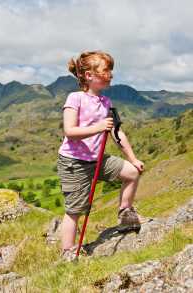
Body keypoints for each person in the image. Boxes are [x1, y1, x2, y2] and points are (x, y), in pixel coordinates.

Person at [57, 51, 148, 261]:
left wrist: (133, 159)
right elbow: (69, 131)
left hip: (97, 159)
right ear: (89, 75)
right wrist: (99, 127)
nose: (110, 75)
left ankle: (125, 213)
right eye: (106, 70)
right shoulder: (75, 98)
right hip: (74, 162)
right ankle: (68, 253)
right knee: (75, 210)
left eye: (110, 70)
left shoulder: (106, 102)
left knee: (132, 173)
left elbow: (117, 133)